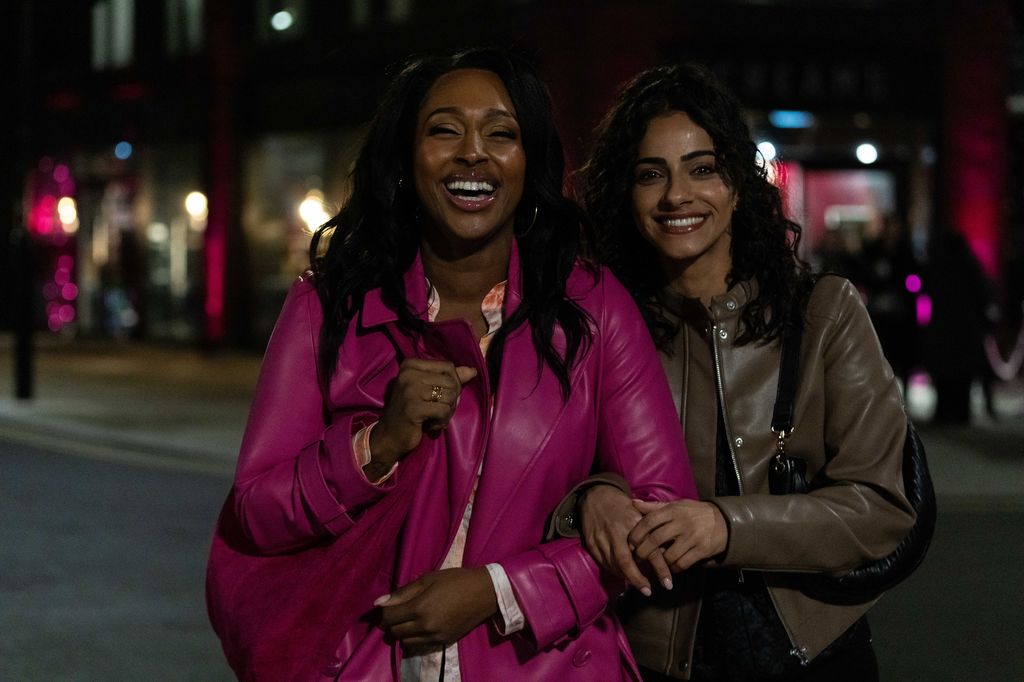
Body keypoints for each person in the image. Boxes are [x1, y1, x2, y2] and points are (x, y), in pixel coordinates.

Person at [206, 48, 696, 681]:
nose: (474, 152)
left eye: (501, 133)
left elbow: (663, 515)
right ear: (407, 159)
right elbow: (256, 511)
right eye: (444, 130)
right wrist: (374, 448)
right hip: (368, 665)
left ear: (530, 163)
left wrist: (498, 590)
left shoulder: (593, 308)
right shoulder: (327, 306)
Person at [554, 64, 917, 681]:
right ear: (626, 194)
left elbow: (882, 507)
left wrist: (725, 525)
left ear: (737, 185)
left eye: (702, 168)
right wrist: (590, 498)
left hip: (813, 651)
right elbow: (545, 476)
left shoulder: (824, 312)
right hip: (651, 656)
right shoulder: (598, 326)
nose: (677, 196)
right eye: (651, 175)